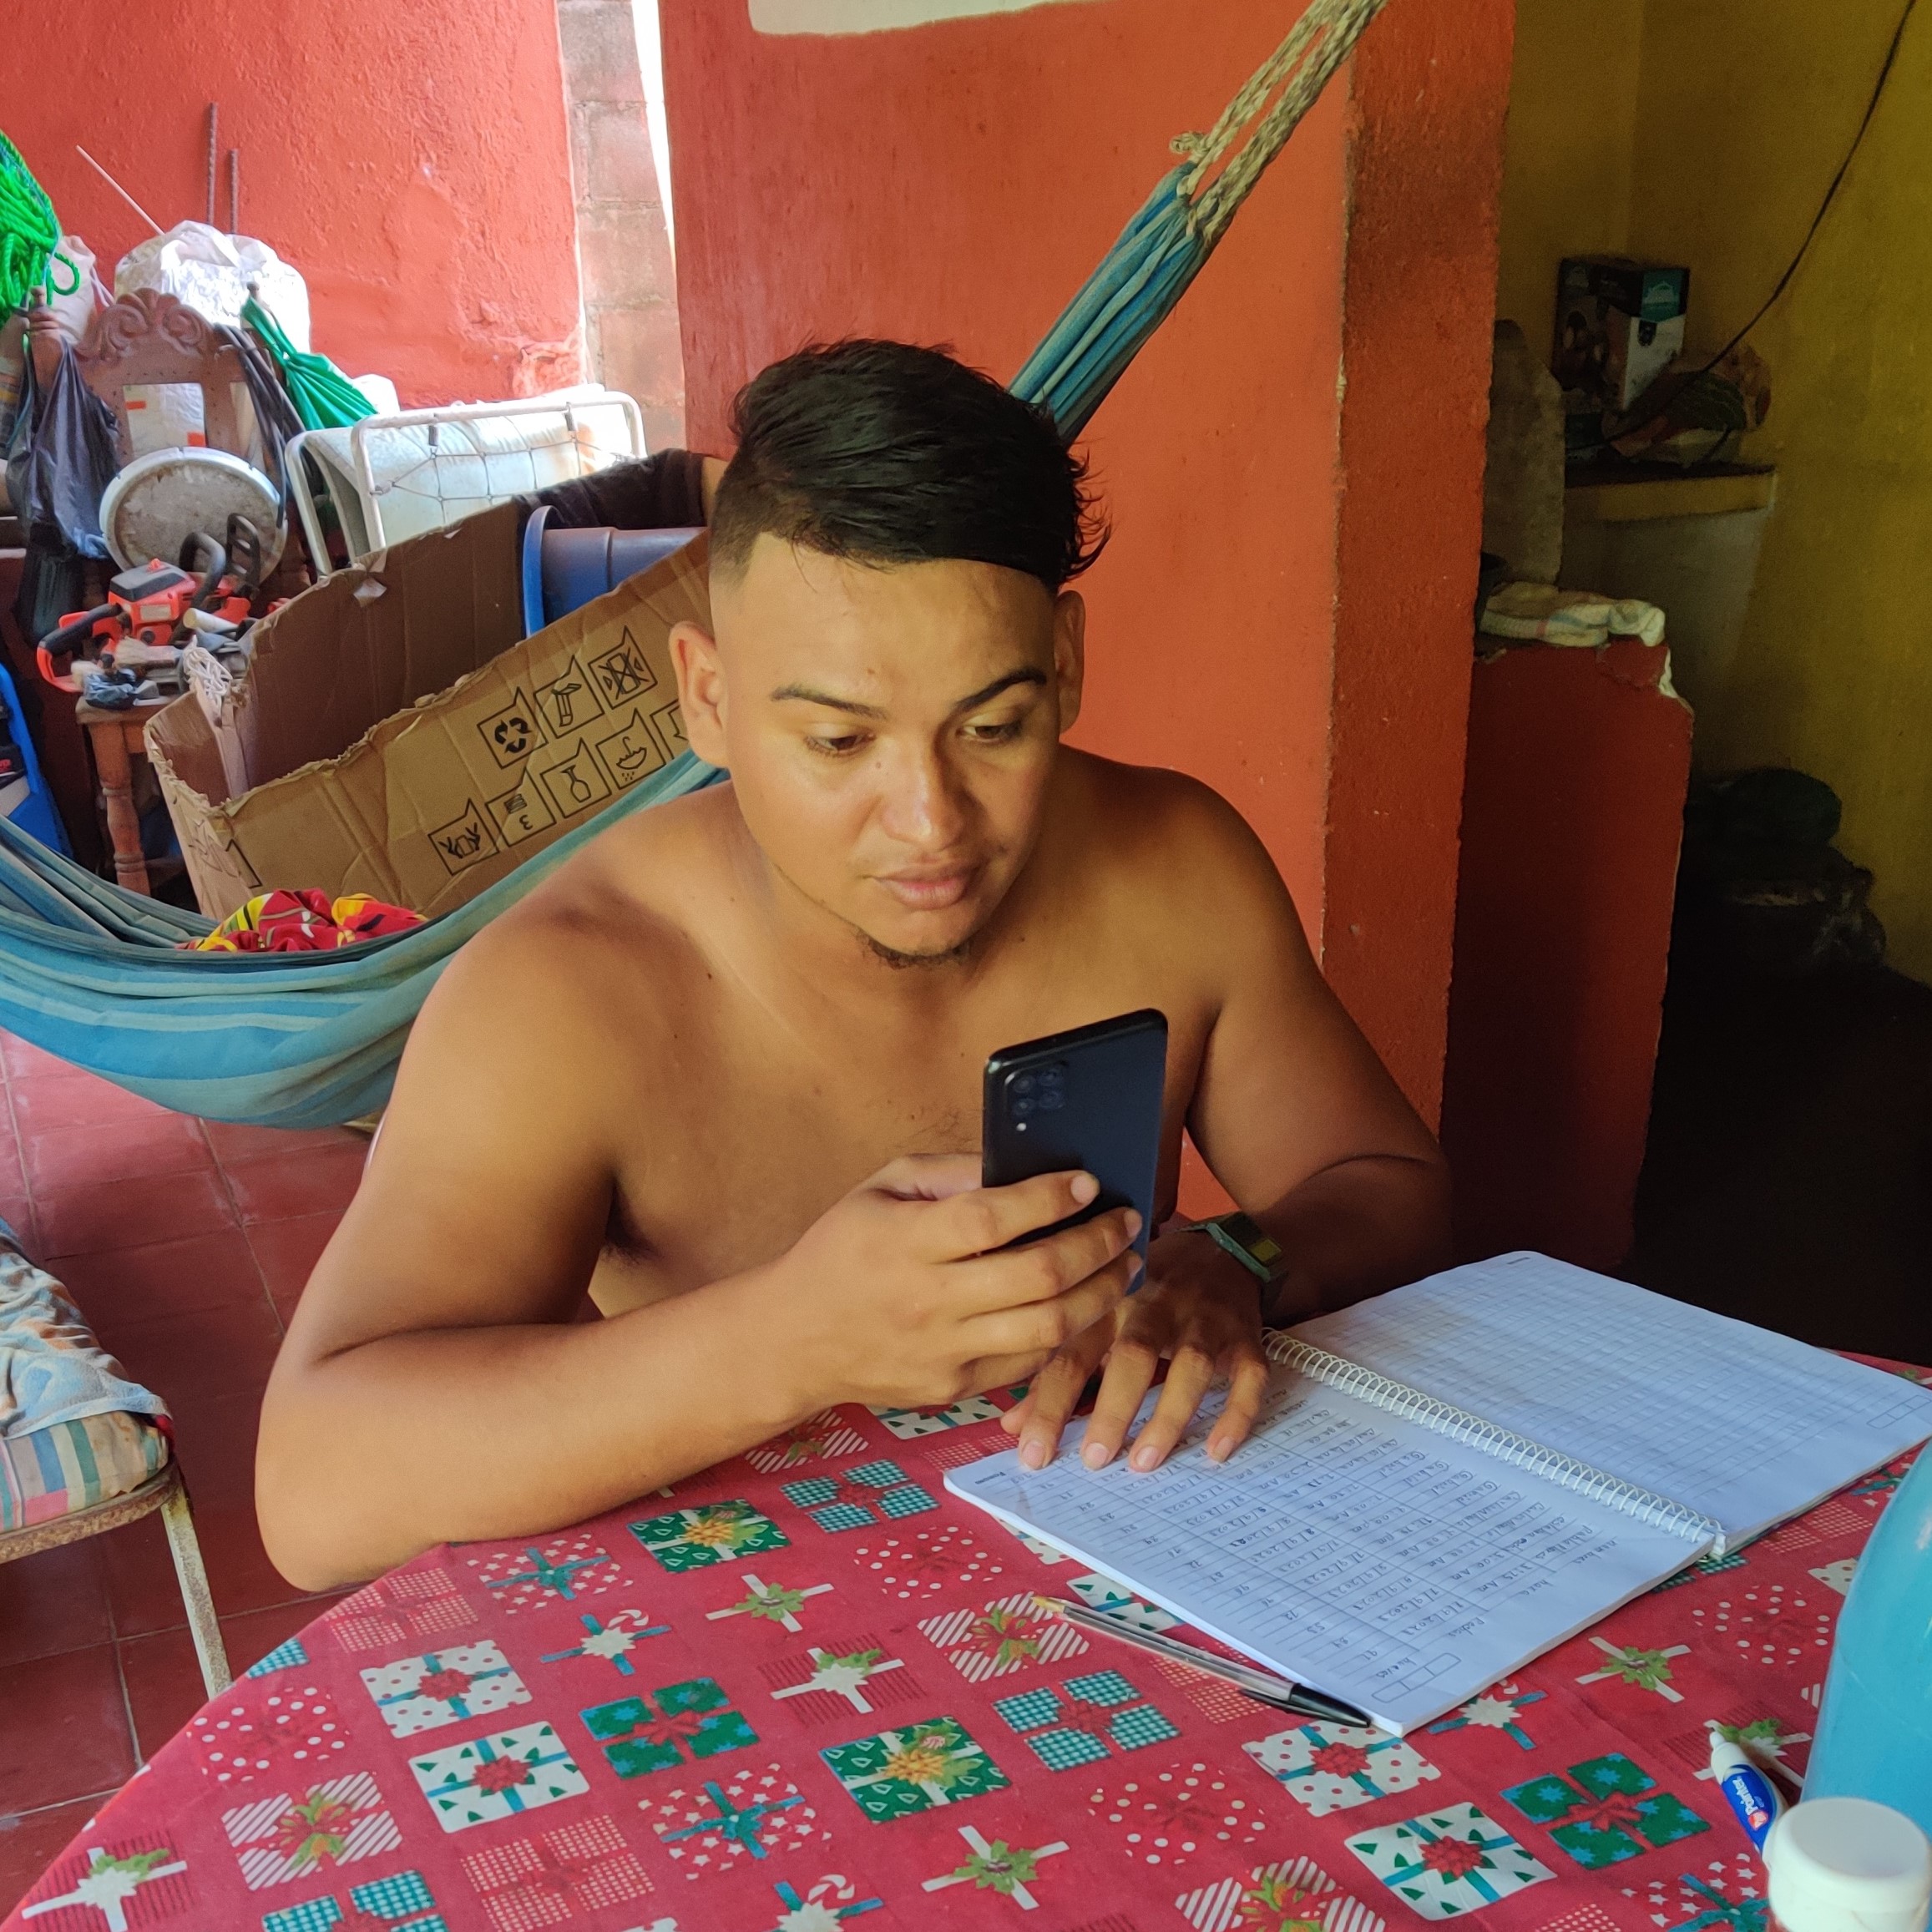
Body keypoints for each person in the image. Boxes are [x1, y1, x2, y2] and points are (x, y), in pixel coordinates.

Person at [256, 341, 1450, 1591]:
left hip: (1132, 1574)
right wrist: (794, 1339)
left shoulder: (1177, 870)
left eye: (993, 726)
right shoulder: (570, 991)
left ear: (1066, 667)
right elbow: (316, 1486)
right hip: (747, 1629)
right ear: (708, 698)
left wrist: (1242, 1260)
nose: (930, 820)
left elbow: (1388, 1186)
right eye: (838, 740)